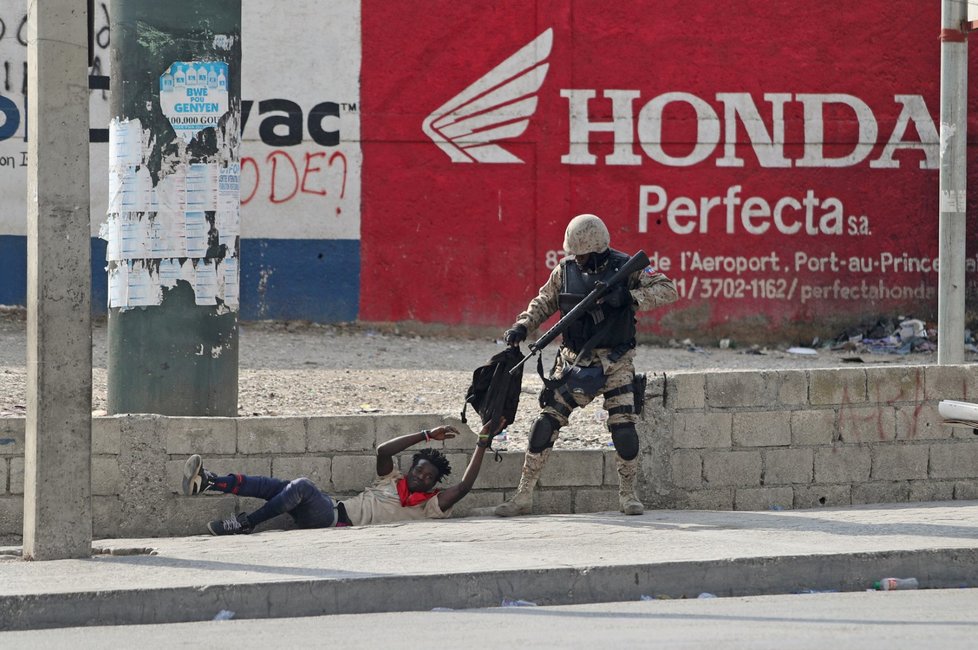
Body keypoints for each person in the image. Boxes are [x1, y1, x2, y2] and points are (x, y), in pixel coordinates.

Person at [495, 213, 678, 517]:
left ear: (598, 249)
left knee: (624, 431)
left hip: (616, 361)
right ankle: (523, 495)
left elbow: (668, 290)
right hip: (573, 360)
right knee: (544, 424)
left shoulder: (626, 267)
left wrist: (628, 297)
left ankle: (627, 495)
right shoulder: (564, 272)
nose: (577, 259)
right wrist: (522, 326)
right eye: (575, 254)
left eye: (583, 255)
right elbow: (544, 302)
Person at [182, 420, 503, 534]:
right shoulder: (390, 480)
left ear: (435, 484)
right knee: (276, 486)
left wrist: (482, 443)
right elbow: (382, 450)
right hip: (329, 510)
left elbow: (464, 486)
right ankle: (211, 481)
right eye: (418, 469)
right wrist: (425, 435)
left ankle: (246, 523)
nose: (421, 476)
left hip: (336, 523)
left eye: (428, 476)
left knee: (303, 485)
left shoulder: (429, 505)